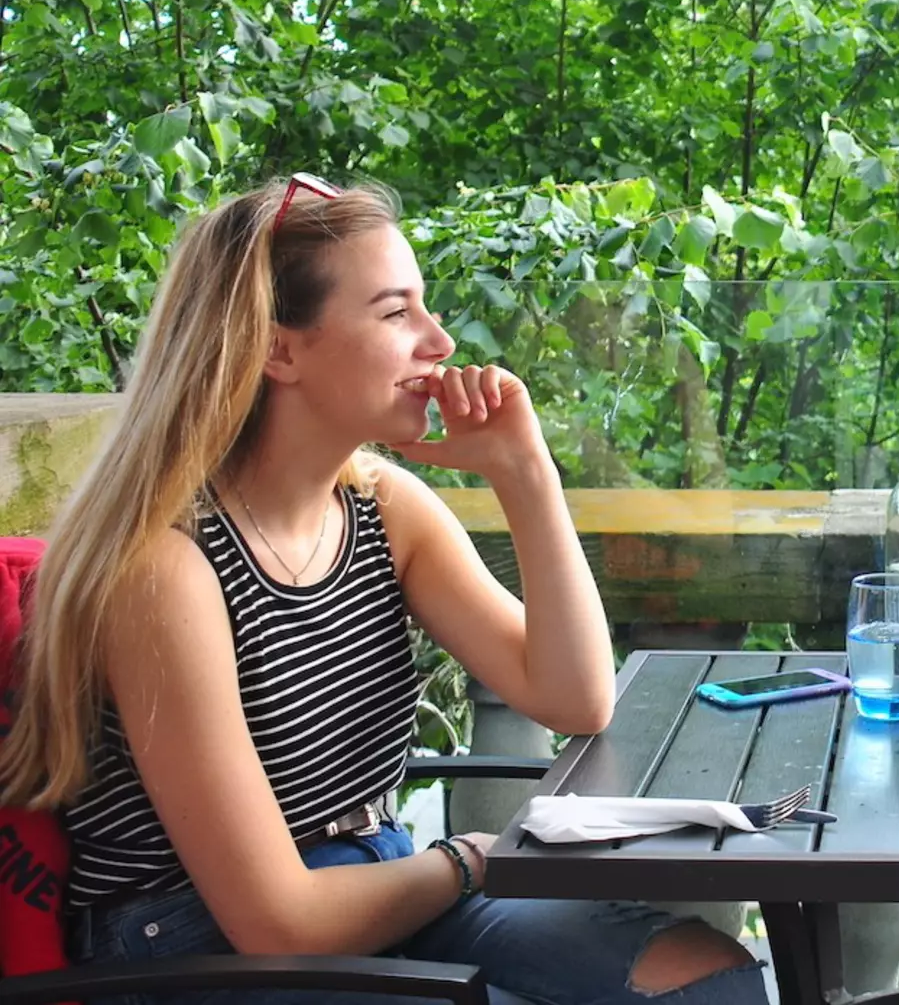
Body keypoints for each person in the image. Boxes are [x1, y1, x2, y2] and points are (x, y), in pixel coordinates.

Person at [0, 175, 768, 1005]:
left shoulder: (380, 508)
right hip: (195, 941)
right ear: (278, 348)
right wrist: (468, 861)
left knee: (704, 975)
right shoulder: (165, 568)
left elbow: (576, 698)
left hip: (379, 880)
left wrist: (526, 472)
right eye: (397, 313)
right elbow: (278, 921)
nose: (438, 341)